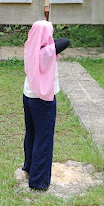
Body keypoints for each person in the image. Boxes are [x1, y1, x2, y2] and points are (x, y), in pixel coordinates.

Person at [22, 20, 70, 190]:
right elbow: (65, 41)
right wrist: (49, 38)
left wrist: (44, 35)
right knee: (43, 139)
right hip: (43, 100)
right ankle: (38, 182)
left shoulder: (30, 46)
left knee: (32, 134)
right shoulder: (47, 51)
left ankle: (29, 168)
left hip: (28, 95)